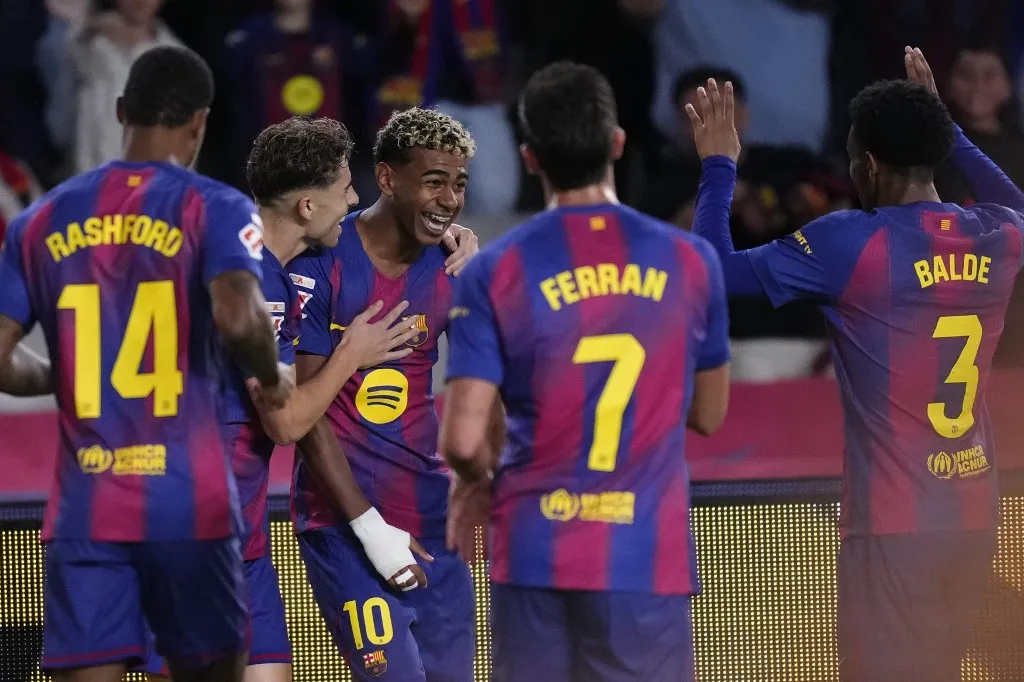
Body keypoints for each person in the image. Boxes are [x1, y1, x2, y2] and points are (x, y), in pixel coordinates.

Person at [687, 48, 1024, 682]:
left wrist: (718, 167)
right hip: (977, 515)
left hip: (895, 528)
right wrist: (950, 133)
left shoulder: (852, 242)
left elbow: (709, 273)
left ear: (867, 165)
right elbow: (1015, 200)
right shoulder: (999, 235)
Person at [0, 45, 292, 682]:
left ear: (120, 110)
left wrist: (59, 372)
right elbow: (241, 318)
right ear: (200, 124)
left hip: (87, 502)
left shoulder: (39, 219)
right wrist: (272, 380)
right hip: (189, 502)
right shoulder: (216, 207)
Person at [440, 61, 731, 682]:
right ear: (618, 143)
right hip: (644, 557)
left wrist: (477, 483)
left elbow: (462, 440)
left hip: (532, 551)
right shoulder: (692, 259)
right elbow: (708, 414)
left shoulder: (496, 270)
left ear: (528, 158)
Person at [139, 114, 447, 681]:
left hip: (244, 536)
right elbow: (285, 424)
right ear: (308, 207)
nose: (353, 200)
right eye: (344, 189)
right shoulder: (256, 282)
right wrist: (350, 353)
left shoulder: (239, 256)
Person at [287, 106, 481, 682]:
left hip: (432, 521)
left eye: (459, 183)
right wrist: (369, 528)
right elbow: (304, 413)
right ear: (388, 177)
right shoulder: (322, 261)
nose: (449, 199)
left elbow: (489, 388)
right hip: (342, 523)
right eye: (433, 181)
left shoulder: (455, 266)